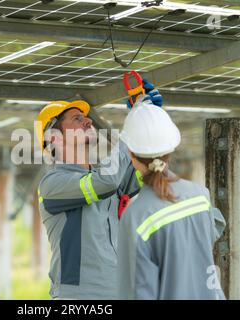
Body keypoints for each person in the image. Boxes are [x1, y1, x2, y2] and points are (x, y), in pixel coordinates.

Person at [35, 81, 162, 299]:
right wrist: (132, 127)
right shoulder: (52, 185)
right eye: (77, 118)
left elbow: (149, 165)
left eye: (85, 117)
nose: (87, 120)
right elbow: (107, 183)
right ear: (54, 137)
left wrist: (150, 120)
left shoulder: (103, 175)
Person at [117, 102, 226, 300]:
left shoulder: (136, 216)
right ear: (171, 150)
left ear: (131, 154)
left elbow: (136, 291)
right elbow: (214, 227)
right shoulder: (200, 196)